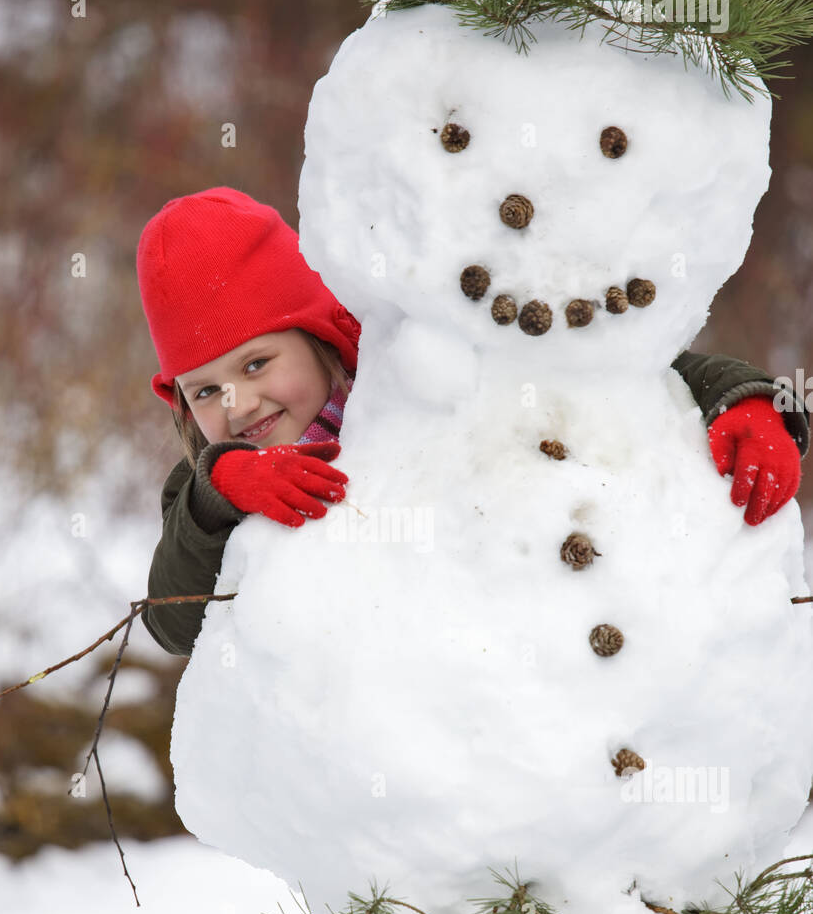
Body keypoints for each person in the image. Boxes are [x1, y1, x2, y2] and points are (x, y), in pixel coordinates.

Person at [136, 186, 809, 658]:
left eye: (256, 365)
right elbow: (173, 625)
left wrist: (742, 400)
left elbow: (609, 368)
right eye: (204, 390)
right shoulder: (208, 488)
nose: (237, 406)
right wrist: (219, 489)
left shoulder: (419, 377)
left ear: (315, 336)